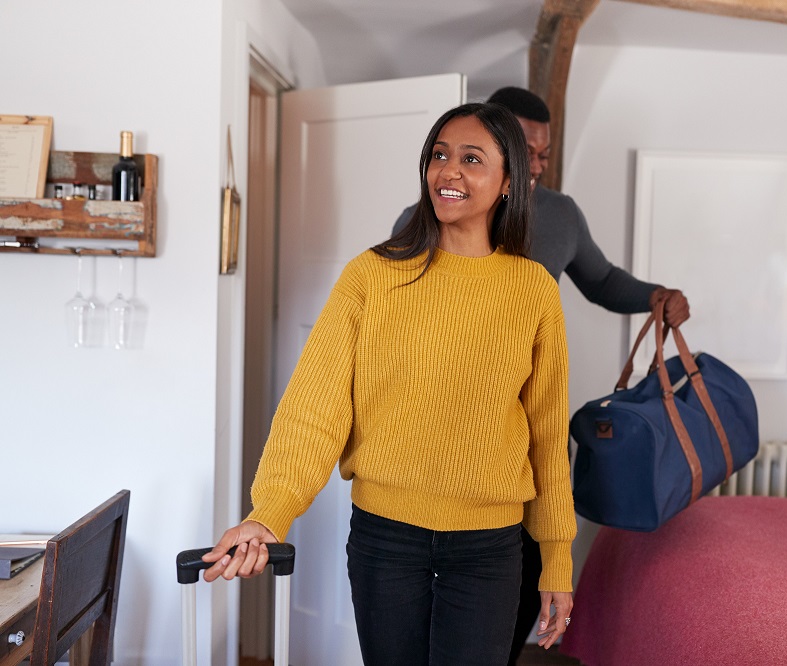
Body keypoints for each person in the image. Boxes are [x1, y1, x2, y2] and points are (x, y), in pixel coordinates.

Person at [201, 102, 576, 666]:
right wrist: (268, 512)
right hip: (386, 541)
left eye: (471, 159)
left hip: (489, 548)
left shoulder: (533, 290)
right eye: (439, 155)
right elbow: (314, 407)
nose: (448, 171)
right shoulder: (370, 276)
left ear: (508, 182)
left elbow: (547, 437)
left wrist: (558, 560)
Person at [393, 87, 690, 665]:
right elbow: (391, 303)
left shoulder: (560, 215)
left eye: (544, 154)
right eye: (523, 148)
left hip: (524, 426)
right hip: (433, 439)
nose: (535, 163)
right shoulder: (434, 212)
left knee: (517, 582)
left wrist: (657, 295)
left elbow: (602, 281)